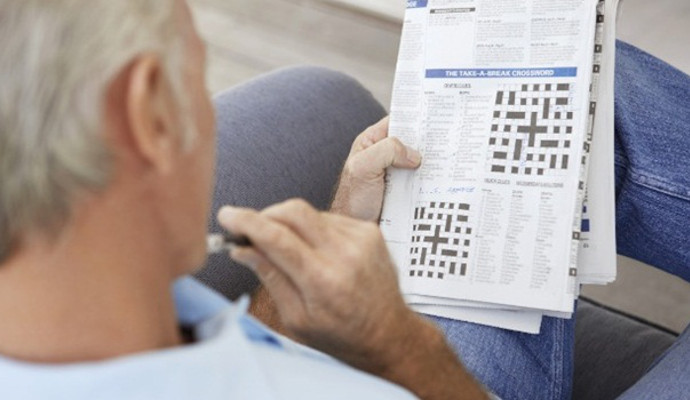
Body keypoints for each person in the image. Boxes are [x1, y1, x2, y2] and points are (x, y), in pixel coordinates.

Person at [1, 2, 689, 400]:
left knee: (585, 95)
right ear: (150, 114)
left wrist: (337, 227)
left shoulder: (99, 293)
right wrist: (402, 348)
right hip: (422, 376)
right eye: (196, 70)